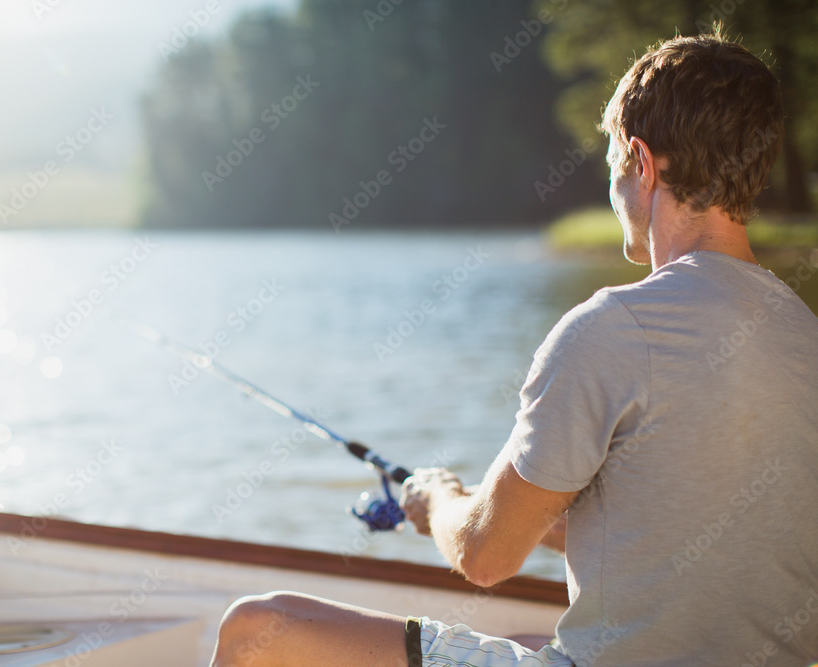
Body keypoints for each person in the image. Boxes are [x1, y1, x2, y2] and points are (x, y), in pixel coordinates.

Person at [209, 28, 818, 667]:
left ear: (641, 163)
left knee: (255, 628)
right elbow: (688, 534)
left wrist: (440, 501)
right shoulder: (803, 334)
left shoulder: (614, 328)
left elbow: (484, 557)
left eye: (611, 160)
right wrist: (514, 509)